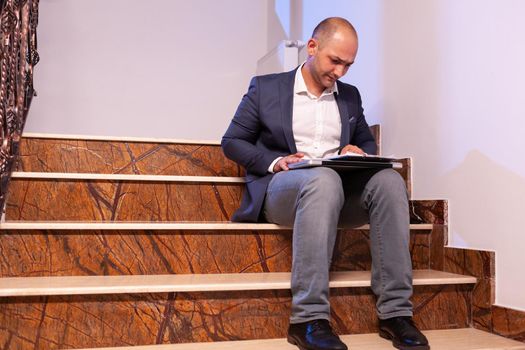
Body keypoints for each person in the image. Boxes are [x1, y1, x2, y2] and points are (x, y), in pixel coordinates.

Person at [221, 17, 429, 350]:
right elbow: (232, 141)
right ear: (313, 47)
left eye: (348, 65)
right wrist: (276, 162)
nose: (341, 72)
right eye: (336, 61)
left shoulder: (349, 96)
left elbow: (366, 141)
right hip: (285, 190)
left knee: (389, 180)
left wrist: (358, 150)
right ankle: (307, 319)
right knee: (322, 180)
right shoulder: (266, 88)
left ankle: (396, 314)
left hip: (335, 191)